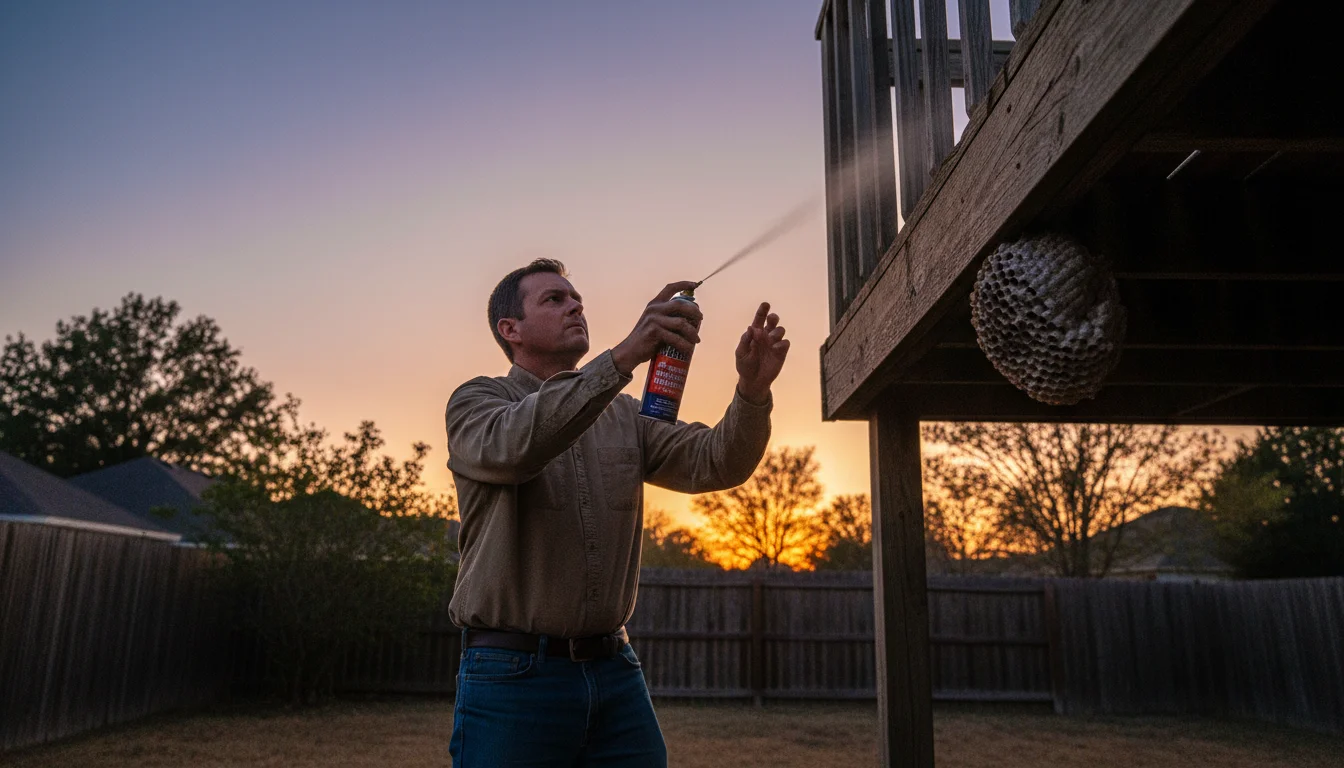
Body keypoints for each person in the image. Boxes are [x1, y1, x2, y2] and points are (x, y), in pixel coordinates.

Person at [445, 258, 790, 766]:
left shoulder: (624, 414)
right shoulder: (477, 402)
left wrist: (752, 393)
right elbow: (516, 447)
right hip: (511, 673)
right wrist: (627, 353)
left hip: (616, 673)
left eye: (576, 297)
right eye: (554, 299)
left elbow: (715, 462)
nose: (575, 305)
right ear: (510, 329)